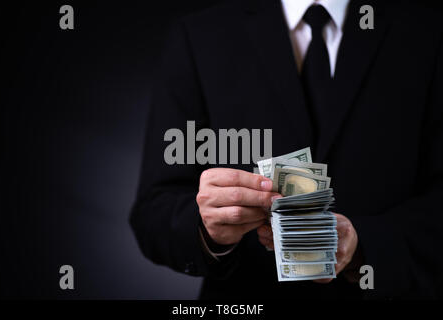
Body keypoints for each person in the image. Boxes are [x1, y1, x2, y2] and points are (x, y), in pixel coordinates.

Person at [130, 0, 443, 299]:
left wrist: (365, 245)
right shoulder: (200, 35)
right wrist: (207, 229)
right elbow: (154, 211)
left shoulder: (428, 34)